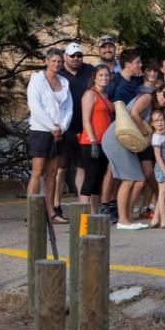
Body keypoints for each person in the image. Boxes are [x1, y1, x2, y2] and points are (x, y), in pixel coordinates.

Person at [101, 82, 165, 229]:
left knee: (138, 180)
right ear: (158, 91)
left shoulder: (156, 109)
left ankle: (128, 218)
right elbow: (134, 114)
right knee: (130, 180)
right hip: (117, 137)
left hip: (127, 141)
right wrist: (147, 132)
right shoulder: (148, 97)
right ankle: (123, 220)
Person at [27, 48, 74, 224]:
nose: (57, 64)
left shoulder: (64, 82)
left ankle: (51, 212)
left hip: (59, 131)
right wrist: (50, 126)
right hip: (41, 130)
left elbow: (69, 107)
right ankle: (33, 213)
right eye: (53, 61)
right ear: (47, 61)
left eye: (59, 61)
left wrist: (61, 127)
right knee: (37, 172)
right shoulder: (37, 79)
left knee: (52, 173)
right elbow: (35, 106)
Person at [55, 42, 95, 217]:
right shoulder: (58, 73)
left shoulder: (89, 71)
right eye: (72, 56)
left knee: (82, 168)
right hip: (66, 127)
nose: (76, 59)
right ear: (65, 57)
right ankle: (55, 205)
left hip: (85, 127)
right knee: (61, 168)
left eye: (79, 55)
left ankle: (83, 206)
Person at [76, 64, 112, 215]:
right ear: (94, 78)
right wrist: (92, 142)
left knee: (98, 179)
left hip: (104, 142)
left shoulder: (105, 96)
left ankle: (94, 214)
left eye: (106, 75)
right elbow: (86, 120)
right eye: (101, 75)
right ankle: (83, 215)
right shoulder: (90, 94)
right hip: (91, 142)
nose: (104, 78)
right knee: (89, 179)